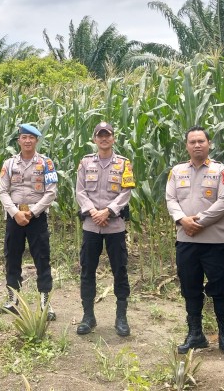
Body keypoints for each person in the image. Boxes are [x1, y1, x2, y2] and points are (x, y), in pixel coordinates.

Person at [165, 126, 224, 356]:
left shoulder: (221, 171)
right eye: (192, 142)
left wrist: (199, 222)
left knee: (221, 289)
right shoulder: (177, 172)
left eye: (201, 141)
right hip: (186, 240)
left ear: (209, 144)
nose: (197, 145)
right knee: (190, 288)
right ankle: (195, 334)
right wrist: (181, 220)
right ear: (186, 146)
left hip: (215, 242)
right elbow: (171, 198)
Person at [75, 122, 135, 337]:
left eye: (107, 135)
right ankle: (88, 317)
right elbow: (80, 191)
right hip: (91, 226)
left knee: (120, 271)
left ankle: (121, 318)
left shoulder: (123, 164)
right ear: (94, 139)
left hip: (115, 226)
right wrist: (93, 212)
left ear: (113, 138)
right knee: (87, 271)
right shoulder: (85, 163)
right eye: (100, 135)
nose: (104, 139)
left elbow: (126, 192)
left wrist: (108, 211)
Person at [0, 123, 58, 320]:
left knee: (42, 258)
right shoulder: (9, 164)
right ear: (19, 141)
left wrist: (31, 213)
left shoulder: (46, 163)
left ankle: (45, 302)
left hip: (36, 216)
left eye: (32, 138)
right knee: (12, 257)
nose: (28, 141)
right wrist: (15, 213)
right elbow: (2, 191)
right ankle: (13, 300)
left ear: (37, 140)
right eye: (24, 137)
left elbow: (51, 192)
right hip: (15, 216)